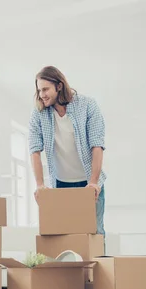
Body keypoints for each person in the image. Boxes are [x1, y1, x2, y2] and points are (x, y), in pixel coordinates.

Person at [29, 66, 107, 237]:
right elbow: (34, 150)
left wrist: (93, 182)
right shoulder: (39, 113)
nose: (42, 94)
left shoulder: (87, 105)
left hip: (89, 183)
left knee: (95, 232)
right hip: (61, 184)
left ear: (59, 86)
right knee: (66, 235)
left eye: (45, 89)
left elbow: (97, 145)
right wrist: (40, 185)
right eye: (39, 90)